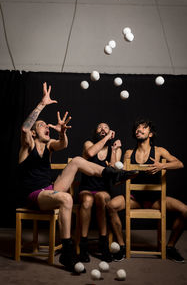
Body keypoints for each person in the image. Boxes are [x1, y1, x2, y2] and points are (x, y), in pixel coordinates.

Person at [18, 82, 138, 271]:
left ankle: (112, 174)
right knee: (66, 198)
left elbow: (63, 145)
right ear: (34, 132)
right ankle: (67, 252)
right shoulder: (27, 146)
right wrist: (42, 104)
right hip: (34, 195)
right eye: (41, 125)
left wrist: (63, 132)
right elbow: (25, 129)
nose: (44, 127)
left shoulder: (49, 146)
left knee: (75, 160)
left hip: (49, 189)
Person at [107, 118, 187, 262]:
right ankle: (121, 246)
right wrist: (118, 170)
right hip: (135, 199)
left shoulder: (159, 151)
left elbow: (179, 164)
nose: (138, 130)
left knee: (186, 210)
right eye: (137, 128)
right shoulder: (128, 153)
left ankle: (170, 247)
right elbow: (119, 176)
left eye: (143, 128)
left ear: (150, 134)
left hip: (156, 200)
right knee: (110, 206)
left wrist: (161, 166)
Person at [78, 122, 122, 262]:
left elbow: (114, 171)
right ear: (95, 132)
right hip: (86, 188)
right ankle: (83, 245)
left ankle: (103, 244)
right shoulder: (88, 144)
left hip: (103, 190)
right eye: (100, 127)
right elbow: (90, 153)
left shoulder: (114, 148)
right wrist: (108, 137)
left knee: (101, 198)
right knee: (87, 201)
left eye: (106, 127)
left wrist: (114, 150)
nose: (103, 129)